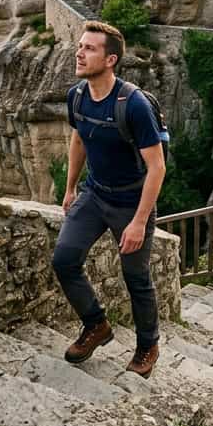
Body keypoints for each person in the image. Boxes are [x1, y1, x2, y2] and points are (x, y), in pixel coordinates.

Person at [51, 20, 165, 378]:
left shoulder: (133, 106)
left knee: (136, 278)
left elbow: (157, 167)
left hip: (131, 203)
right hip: (94, 194)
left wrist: (139, 221)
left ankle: (148, 345)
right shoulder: (78, 96)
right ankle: (96, 325)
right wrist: (70, 188)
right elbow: (79, 140)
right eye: (80, 46)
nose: (79, 52)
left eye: (90, 48)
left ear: (111, 59)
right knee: (64, 260)